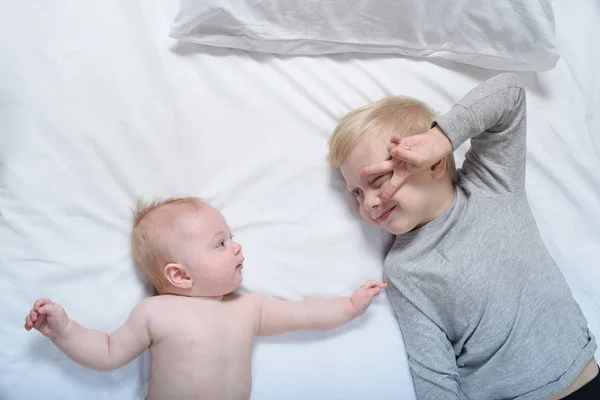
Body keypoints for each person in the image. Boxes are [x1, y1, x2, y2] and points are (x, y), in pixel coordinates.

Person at [328, 73, 598, 399]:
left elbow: (510, 94)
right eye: (356, 192)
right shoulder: (404, 268)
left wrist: (442, 136)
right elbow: (432, 369)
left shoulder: (491, 184)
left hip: (585, 374)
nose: (368, 202)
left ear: (434, 163)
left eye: (379, 179)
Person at [25, 197, 387, 400]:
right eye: (221, 243)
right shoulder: (156, 312)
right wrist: (65, 330)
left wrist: (349, 307)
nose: (236, 246)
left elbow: (303, 313)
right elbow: (106, 352)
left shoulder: (249, 307)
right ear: (180, 275)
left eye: (231, 237)